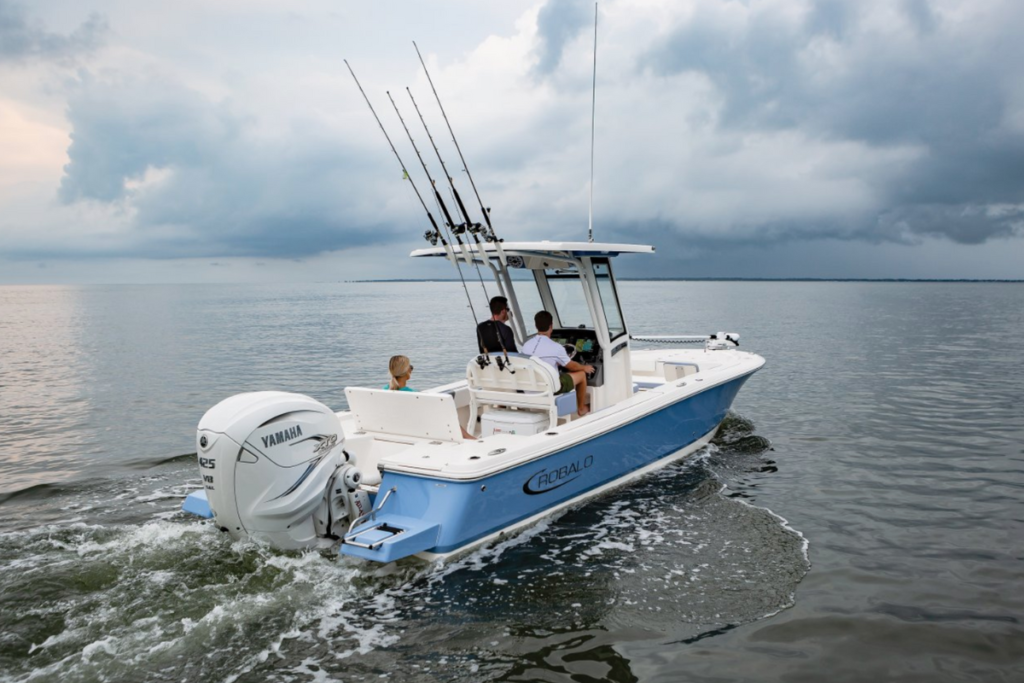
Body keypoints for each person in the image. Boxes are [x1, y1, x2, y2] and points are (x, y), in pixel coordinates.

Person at [521, 311, 594, 417]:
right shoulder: (556, 347)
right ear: (551, 326)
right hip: (550, 388)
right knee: (582, 374)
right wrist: (584, 367)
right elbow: (572, 366)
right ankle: (581, 409)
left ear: (536, 326)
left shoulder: (526, 346)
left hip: (530, 388)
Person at [384, 355, 476, 439]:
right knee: (445, 413)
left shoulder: (384, 390)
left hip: (398, 429)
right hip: (419, 430)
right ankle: (467, 437)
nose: (411, 369)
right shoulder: (413, 394)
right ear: (405, 372)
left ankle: (466, 436)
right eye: (410, 367)